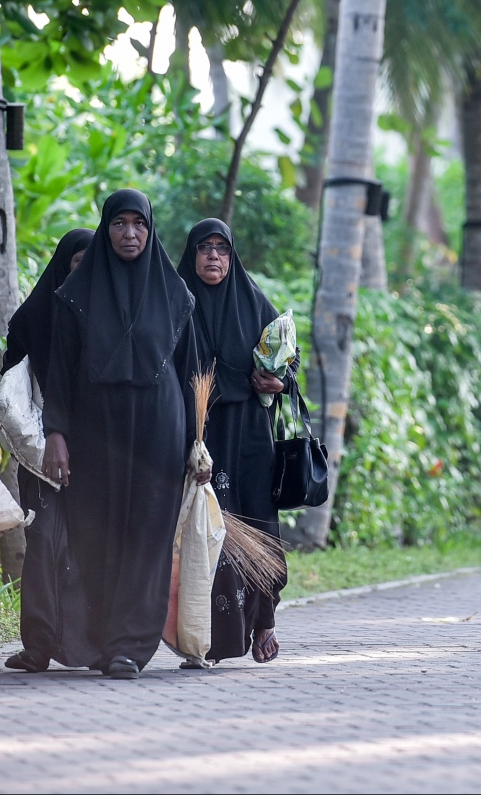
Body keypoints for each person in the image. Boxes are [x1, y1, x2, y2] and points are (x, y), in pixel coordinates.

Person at [41, 191, 199, 679]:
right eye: (119, 224)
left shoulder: (176, 296)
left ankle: (130, 646)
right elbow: (59, 370)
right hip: (93, 430)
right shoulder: (75, 297)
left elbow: (193, 373)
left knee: (147, 536)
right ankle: (98, 641)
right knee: (94, 533)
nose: (130, 234)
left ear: (151, 231)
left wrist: (198, 441)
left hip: (159, 432)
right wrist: (56, 433)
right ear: (105, 228)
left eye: (139, 225)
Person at [176, 218, 289, 664]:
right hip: (200, 434)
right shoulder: (176, 300)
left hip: (250, 438)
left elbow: (285, 361)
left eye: (222, 249)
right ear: (192, 254)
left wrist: (276, 380)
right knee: (207, 533)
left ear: (232, 256)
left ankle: (264, 621)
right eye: (205, 249)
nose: (214, 258)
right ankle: (209, 639)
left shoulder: (253, 301)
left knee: (258, 526)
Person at [1, 229, 95, 674]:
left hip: (98, 455)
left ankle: (86, 645)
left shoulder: (109, 317)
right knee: (43, 545)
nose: (85, 272)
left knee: (90, 547)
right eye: (78, 263)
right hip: (43, 452)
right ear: (63, 265)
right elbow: (13, 385)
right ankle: (38, 645)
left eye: (93, 263)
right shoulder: (33, 319)